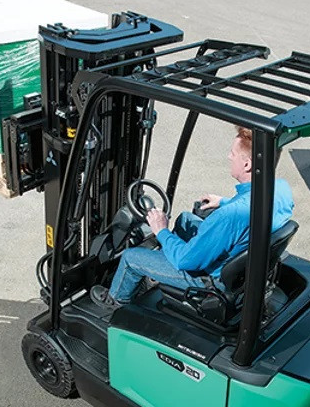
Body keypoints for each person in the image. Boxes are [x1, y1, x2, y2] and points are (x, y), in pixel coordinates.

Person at [90, 127, 294, 308]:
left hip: (210, 281)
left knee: (130, 258)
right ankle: (157, 271)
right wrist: (222, 201)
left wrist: (161, 230)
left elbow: (186, 261)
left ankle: (116, 301)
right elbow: (251, 207)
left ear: (248, 164)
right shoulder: (280, 189)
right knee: (185, 219)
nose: (228, 156)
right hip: (241, 264)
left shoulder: (229, 216)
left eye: (233, 154)